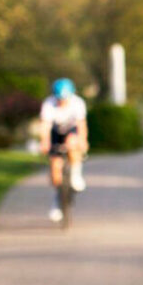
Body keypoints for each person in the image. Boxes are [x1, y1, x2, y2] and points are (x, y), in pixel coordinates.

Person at [39, 77, 88, 222]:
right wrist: (44, 142)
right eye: (60, 99)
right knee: (55, 173)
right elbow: (45, 126)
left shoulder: (78, 103)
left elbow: (81, 125)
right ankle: (57, 201)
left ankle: (76, 174)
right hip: (55, 132)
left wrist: (83, 141)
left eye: (65, 99)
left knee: (73, 143)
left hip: (71, 131)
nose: (62, 102)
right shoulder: (48, 104)